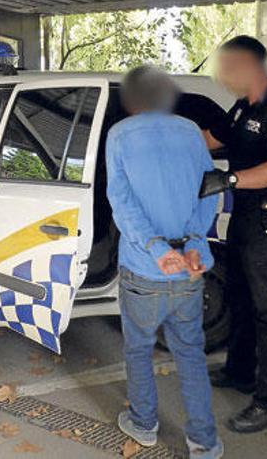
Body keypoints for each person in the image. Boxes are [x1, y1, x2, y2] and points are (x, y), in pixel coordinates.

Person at [107, 65, 223, 458]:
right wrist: (194, 243)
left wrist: (159, 249)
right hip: (190, 267)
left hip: (144, 269)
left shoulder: (119, 135)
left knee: (138, 349)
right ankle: (204, 443)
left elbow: (122, 204)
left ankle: (143, 425)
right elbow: (211, 189)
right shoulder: (191, 132)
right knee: (190, 352)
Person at [199, 35, 267, 433]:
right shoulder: (244, 106)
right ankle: (241, 372)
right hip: (245, 216)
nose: (222, 76)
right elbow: (213, 138)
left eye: (228, 67)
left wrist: (229, 178)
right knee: (240, 296)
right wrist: (162, 135)